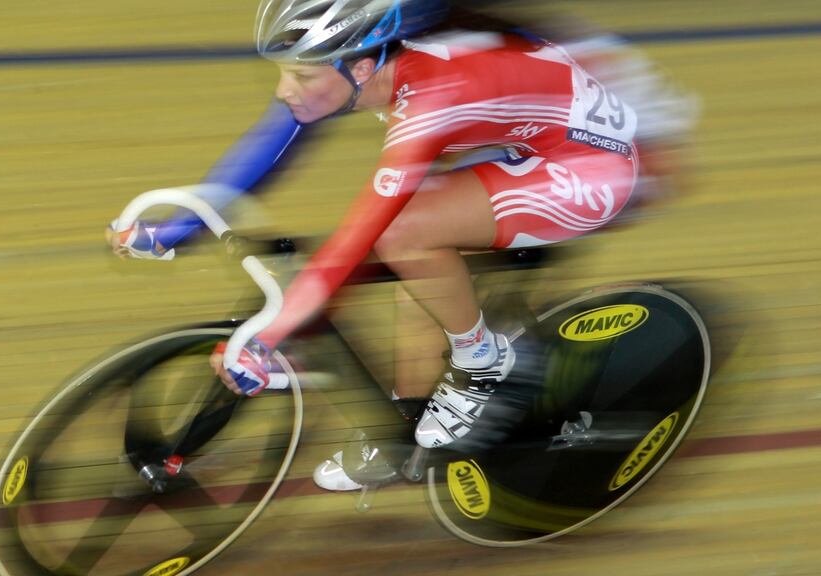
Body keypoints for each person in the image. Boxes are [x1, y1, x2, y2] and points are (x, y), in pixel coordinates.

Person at [111, 0, 690, 491]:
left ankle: (487, 359)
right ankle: (405, 435)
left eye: (303, 77)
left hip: (591, 169)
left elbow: (365, 228)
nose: (288, 90)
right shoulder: (350, 66)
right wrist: (175, 231)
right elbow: (267, 147)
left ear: (362, 68)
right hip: (524, 135)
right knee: (412, 257)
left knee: (401, 232)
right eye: (285, 71)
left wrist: (269, 335)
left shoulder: (432, 95)